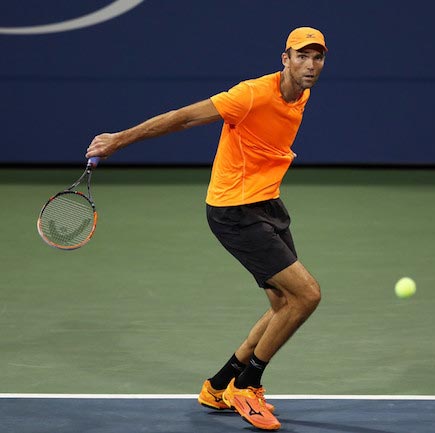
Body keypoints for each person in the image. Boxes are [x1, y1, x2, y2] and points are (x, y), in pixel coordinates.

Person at [85, 27, 328, 431]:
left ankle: (218, 386)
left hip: (267, 203)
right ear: (284, 58)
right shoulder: (249, 94)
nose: (310, 65)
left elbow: (265, 139)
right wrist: (119, 140)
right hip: (234, 209)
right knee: (306, 295)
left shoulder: (301, 93)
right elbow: (181, 119)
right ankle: (247, 386)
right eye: (302, 56)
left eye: (317, 57)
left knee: (283, 305)